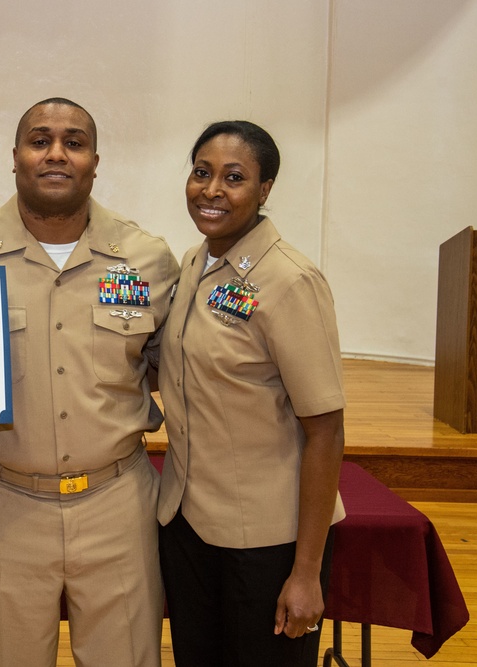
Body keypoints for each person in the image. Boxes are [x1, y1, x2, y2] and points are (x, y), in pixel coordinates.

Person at [0, 98, 180, 666]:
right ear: (15, 157)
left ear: (94, 161)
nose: (56, 153)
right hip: (2, 505)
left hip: (118, 506)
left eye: (74, 142)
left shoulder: (147, 259)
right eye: (39, 140)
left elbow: (171, 368)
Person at [156, 120, 345, 667]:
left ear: (264, 191)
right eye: (201, 172)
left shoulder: (290, 281)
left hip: (268, 541)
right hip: (188, 522)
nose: (212, 190)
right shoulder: (196, 264)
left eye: (234, 177)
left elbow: (326, 430)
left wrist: (306, 572)